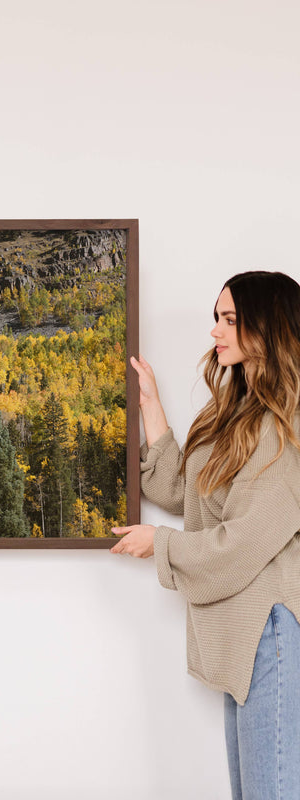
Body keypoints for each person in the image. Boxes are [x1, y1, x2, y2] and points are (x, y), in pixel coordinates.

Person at [110, 271, 300, 799]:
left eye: (231, 320)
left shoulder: (288, 426)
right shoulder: (235, 411)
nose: (216, 331)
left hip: (272, 635)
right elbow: (183, 490)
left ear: (268, 328)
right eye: (216, 318)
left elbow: (243, 543)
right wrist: (150, 403)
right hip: (245, 637)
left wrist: (160, 545)